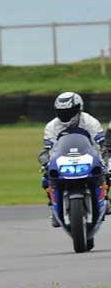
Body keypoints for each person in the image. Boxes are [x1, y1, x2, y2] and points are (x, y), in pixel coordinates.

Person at [37, 92, 108, 227]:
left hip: (88, 156)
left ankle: (105, 199)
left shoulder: (90, 122)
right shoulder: (52, 126)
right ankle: (54, 207)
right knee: (45, 179)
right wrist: (46, 162)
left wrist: (104, 158)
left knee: (107, 172)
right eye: (61, 111)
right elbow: (49, 149)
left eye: (69, 111)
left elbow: (101, 145)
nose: (65, 115)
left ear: (78, 108)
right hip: (64, 159)